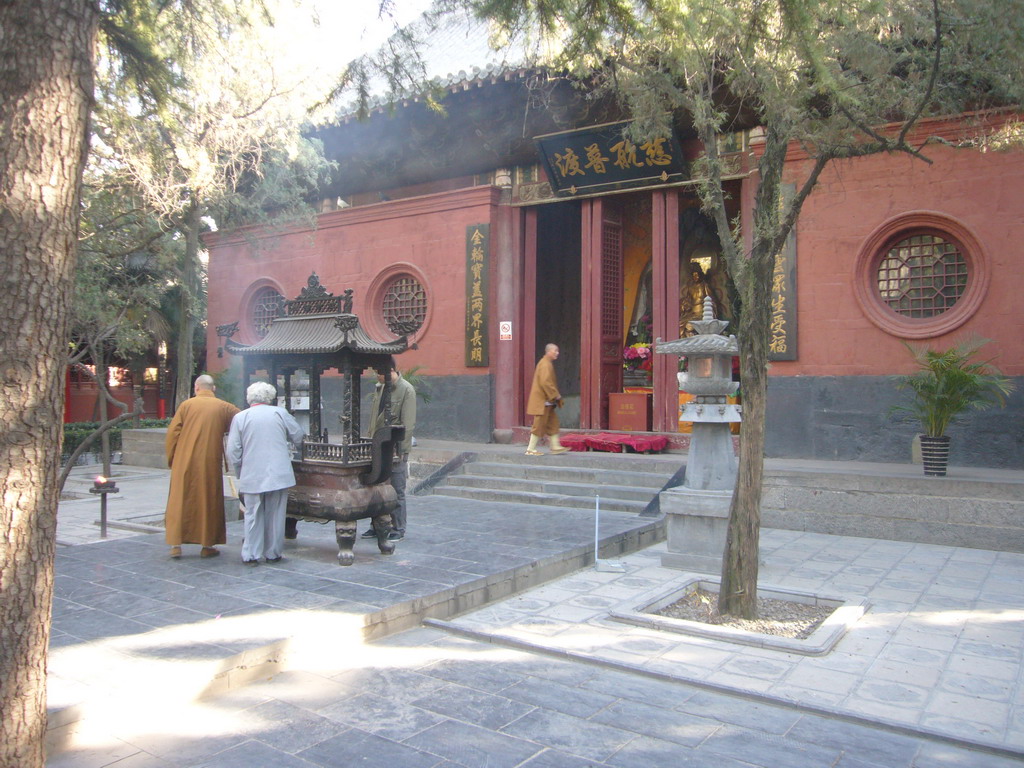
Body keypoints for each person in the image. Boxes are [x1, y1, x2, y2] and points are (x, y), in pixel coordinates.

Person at [226, 381, 305, 566]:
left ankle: (251, 554)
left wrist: (240, 470)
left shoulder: (241, 417)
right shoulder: (279, 413)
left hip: (252, 472)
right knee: (276, 513)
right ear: (270, 397)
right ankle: (273, 552)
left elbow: (233, 450)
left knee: (252, 513)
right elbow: (298, 435)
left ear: (249, 397)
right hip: (278, 472)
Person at [164, 374, 240, 559]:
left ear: (196, 388)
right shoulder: (224, 407)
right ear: (213, 389)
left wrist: (173, 458)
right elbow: (244, 421)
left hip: (184, 461)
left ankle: (176, 545)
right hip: (209, 462)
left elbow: (173, 433)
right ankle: (207, 546)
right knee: (208, 501)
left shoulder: (186, 405)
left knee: (179, 500)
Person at [361, 364, 416, 541]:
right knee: (377, 487)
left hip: (394, 448)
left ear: (390, 370)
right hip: (377, 446)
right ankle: (376, 526)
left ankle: (398, 528)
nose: (377, 375)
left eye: (379, 372)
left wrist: (401, 450)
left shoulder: (406, 390)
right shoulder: (381, 388)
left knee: (397, 489)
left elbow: (407, 425)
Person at [526, 343, 570, 456]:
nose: (557, 353)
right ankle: (530, 449)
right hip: (543, 402)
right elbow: (545, 382)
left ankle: (555, 446)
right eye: (555, 351)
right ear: (548, 351)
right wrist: (556, 395)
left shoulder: (546, 363)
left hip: (547, 402)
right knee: (538, 425)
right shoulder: (545, 364)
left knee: (553, 424)